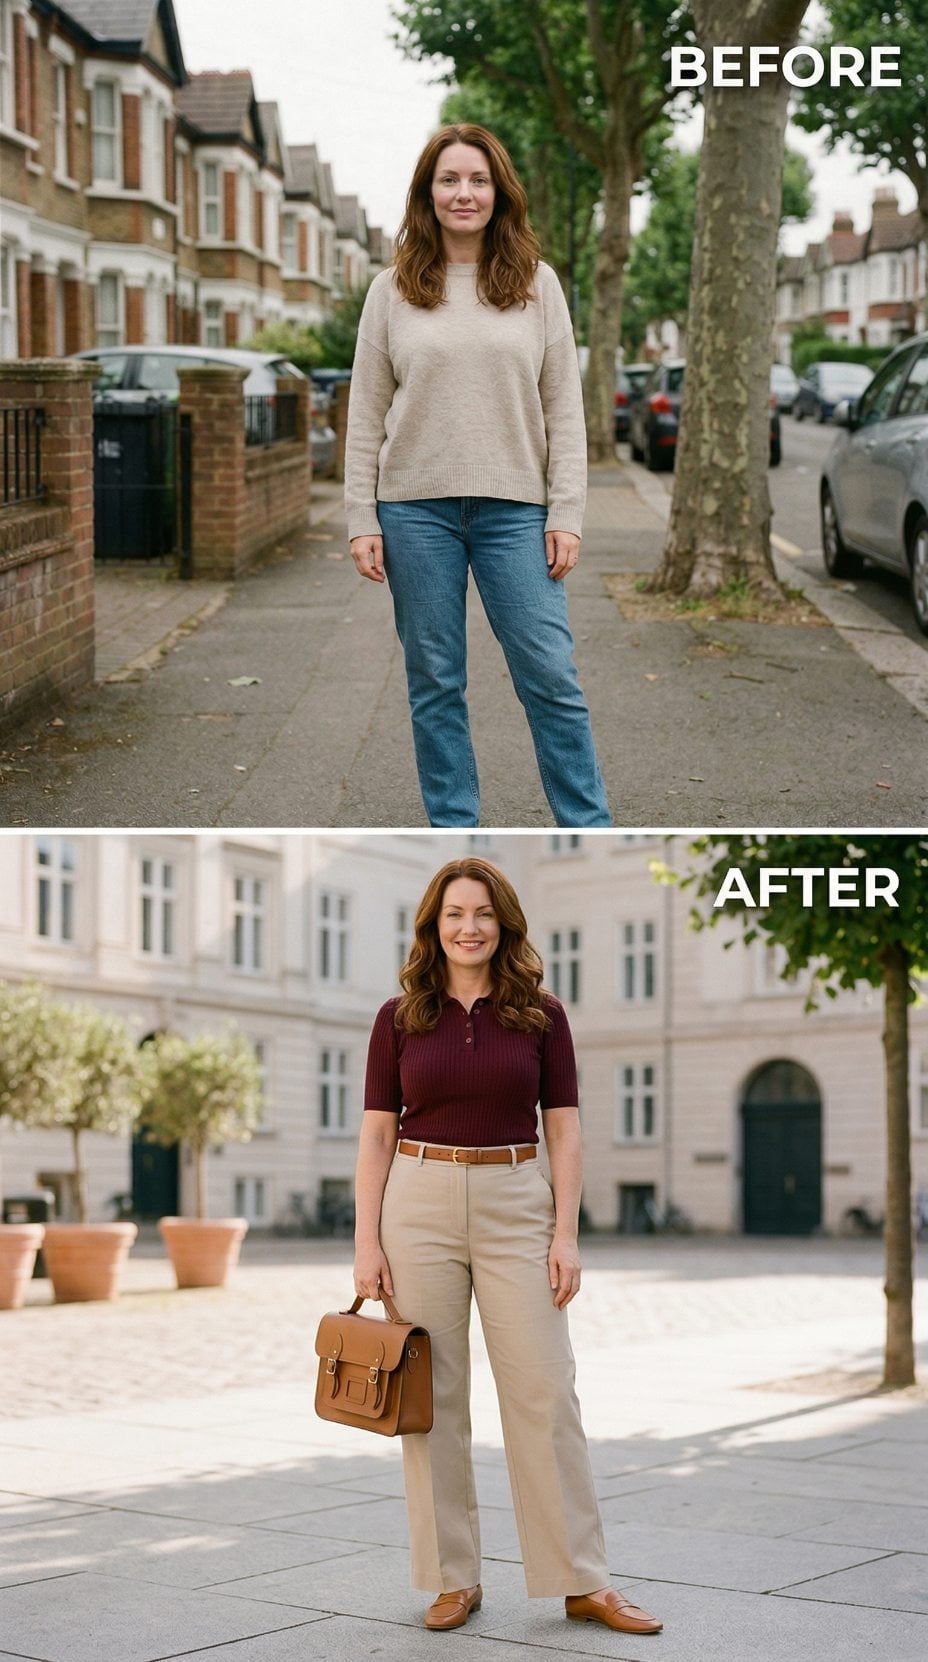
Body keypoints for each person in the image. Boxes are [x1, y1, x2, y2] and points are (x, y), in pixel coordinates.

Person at [353, 857, 662, 1636]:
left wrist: (565, 1232)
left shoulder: (541, 1014)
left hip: (517, 1200)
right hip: (416, 1203)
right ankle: (453, 1578)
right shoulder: (398, 1018)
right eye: (454, 913)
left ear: (505, 924)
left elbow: (563, 1125)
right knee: (431, 1402)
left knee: (546, 1390)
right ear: (434, 926)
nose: (469, 926)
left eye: (483, 913)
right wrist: (367, 1242)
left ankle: (581, 1580)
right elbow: (377, 1134)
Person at [344, 124, 611, 829]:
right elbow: (365, 413)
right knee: (435, 683)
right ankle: (452, 828)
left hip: (516, 511)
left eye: (478, 180)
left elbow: (565, 407)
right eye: (450, 180)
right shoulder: (391, 290)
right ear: (427, 194)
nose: (464, 193)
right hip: (413, 511)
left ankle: (588, 825)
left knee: (550, 676)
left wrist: (567, 512)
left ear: (500, 193)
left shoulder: (537, 286)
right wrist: (361, 520)